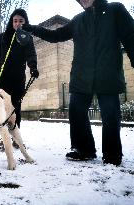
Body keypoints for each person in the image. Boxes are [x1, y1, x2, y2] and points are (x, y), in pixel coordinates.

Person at [22, 0, 134, 166]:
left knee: (110, 115)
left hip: (107, 74)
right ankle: (84, 149)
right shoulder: (78, 20)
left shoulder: (115, 10)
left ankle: (112, 155)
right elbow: (56, 35)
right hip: (81, 76)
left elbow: (130, 37)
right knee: (76, 110)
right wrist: (32, 28)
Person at [0, 8, 39, 129]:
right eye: (15, 21)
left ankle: (16, 136)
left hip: (18, 79)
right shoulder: (4, 37)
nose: (18, 23)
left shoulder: (27, 38)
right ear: (11, 22)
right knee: (2, 107)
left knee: (16, 107)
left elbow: (31, 54)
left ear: (25, 22)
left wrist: (33, 67)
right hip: (3, 78)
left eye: (21, 21)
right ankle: (4, 136)